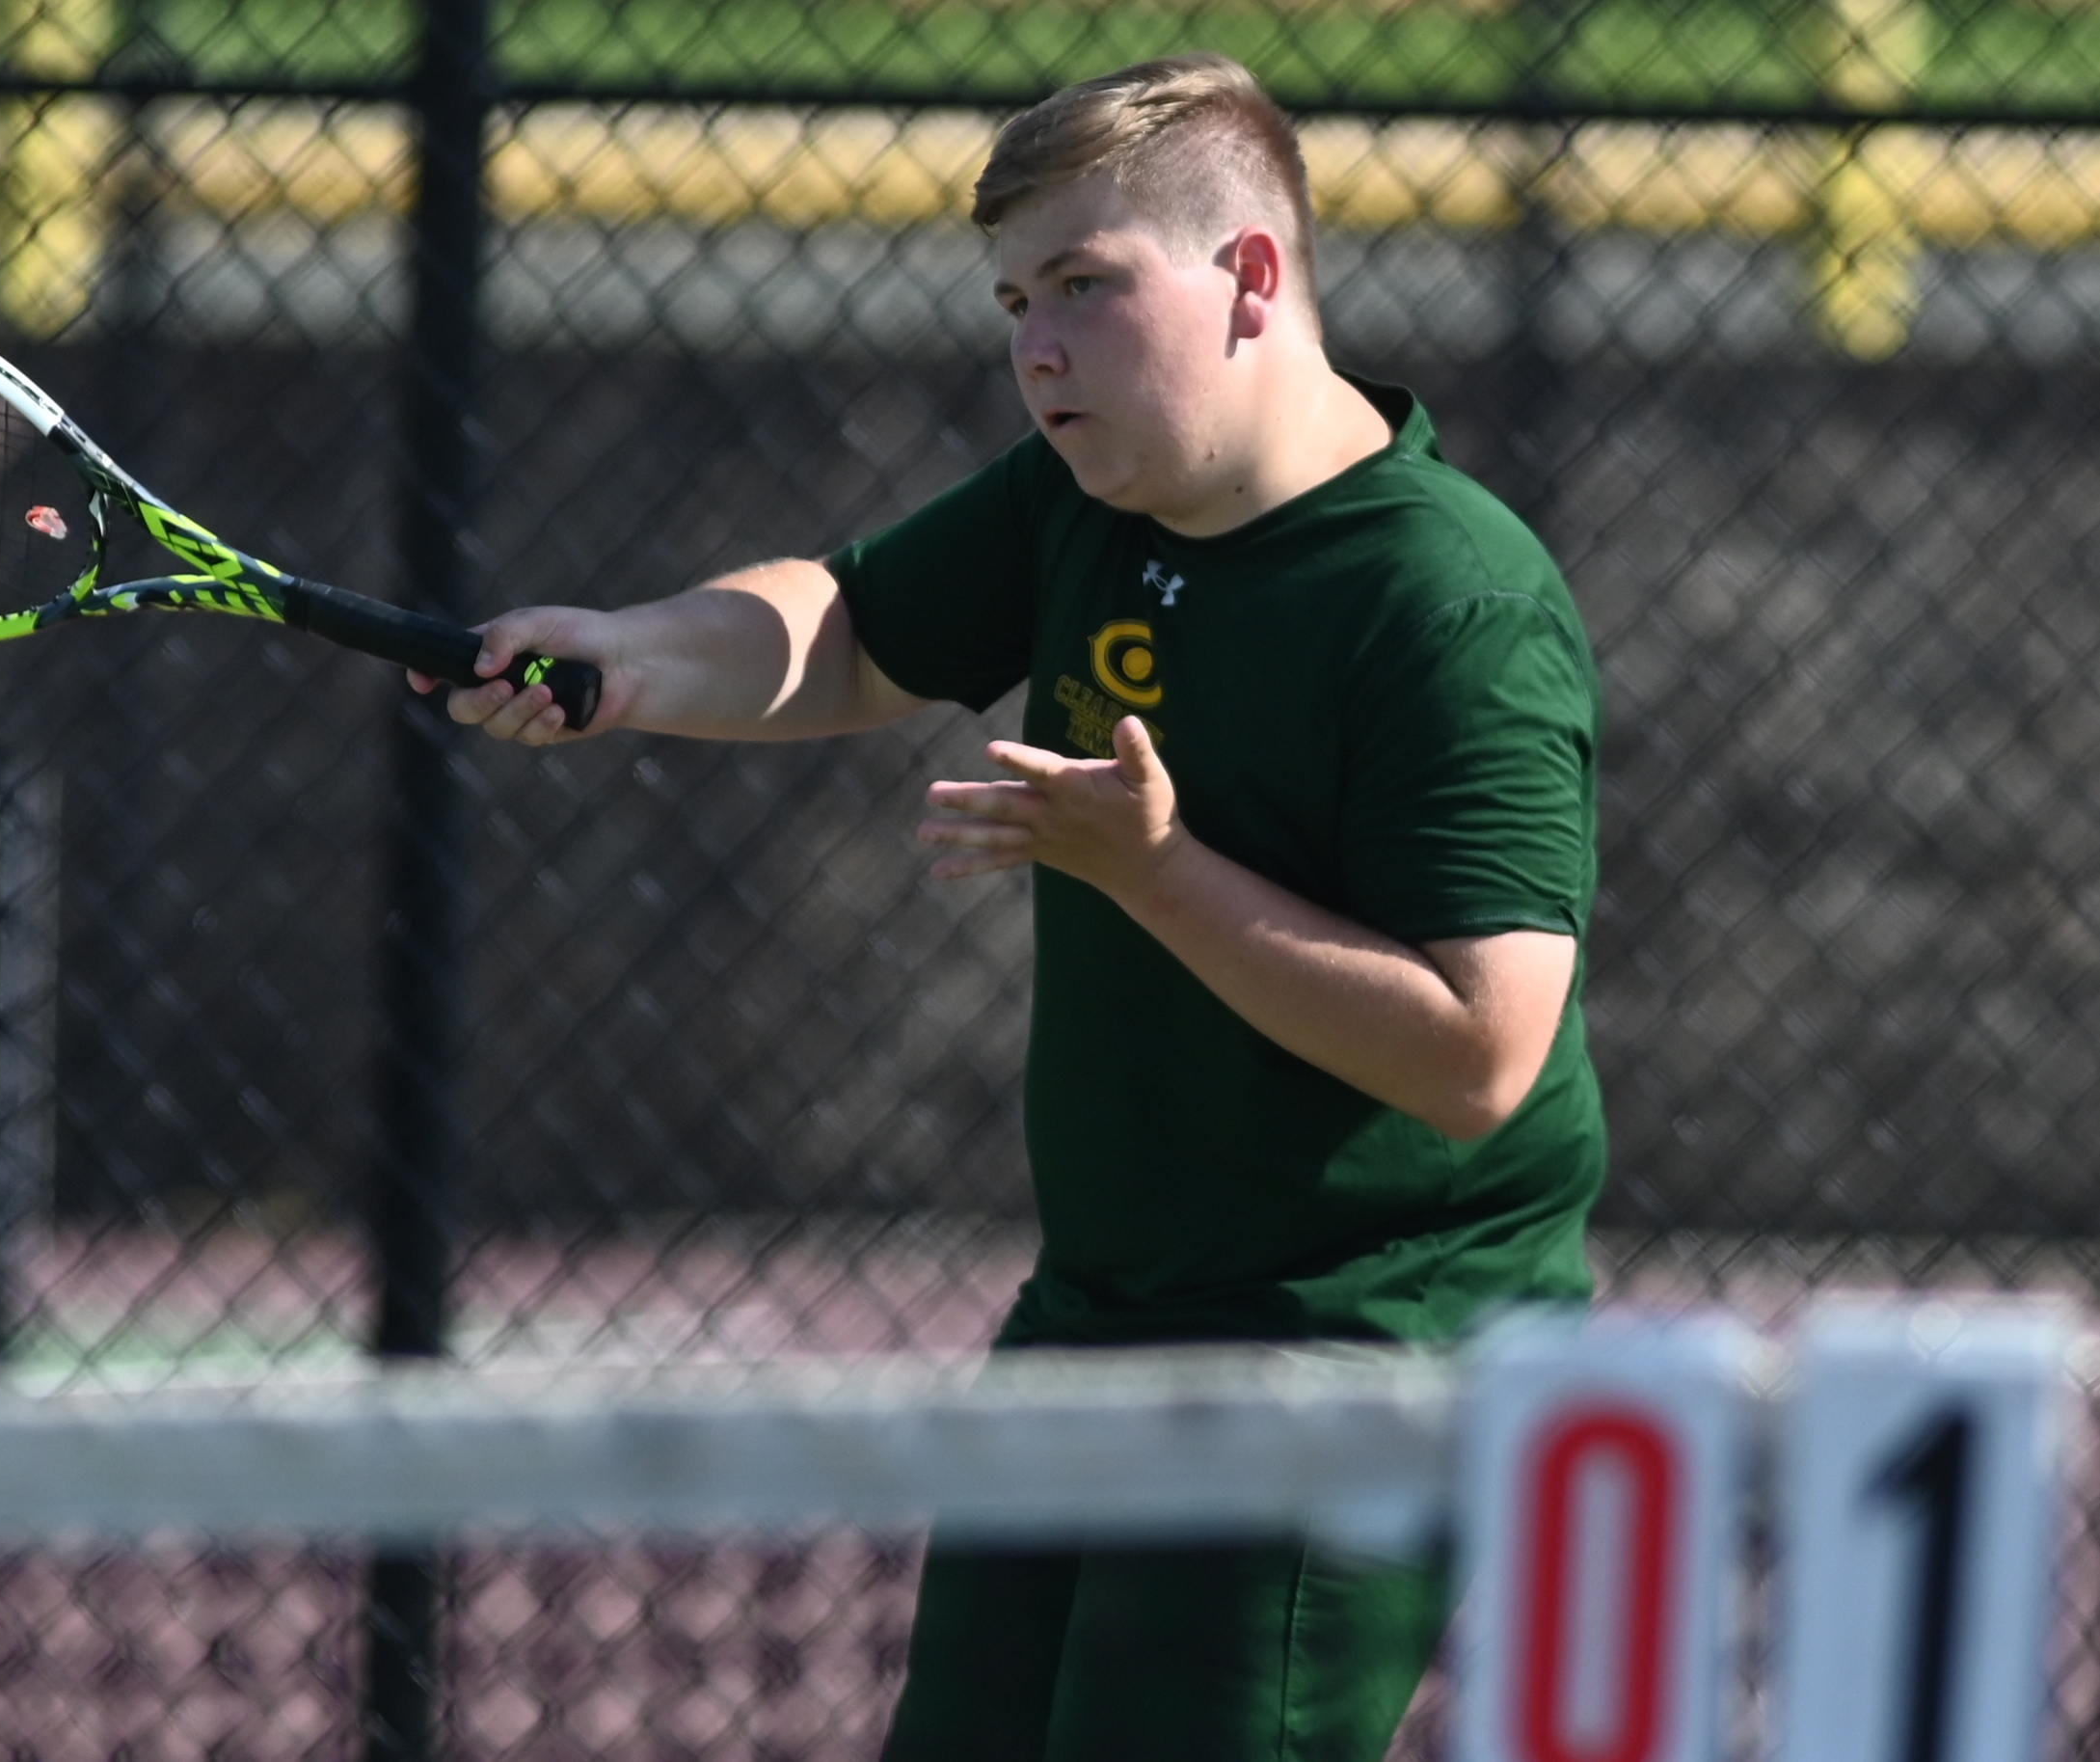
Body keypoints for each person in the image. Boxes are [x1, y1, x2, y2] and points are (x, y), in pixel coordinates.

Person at [424, 54, 1602, 1762]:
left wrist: (1152, 872)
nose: (1034, 349)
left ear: (1250, 279)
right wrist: (635, 653)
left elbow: (1480, 1055)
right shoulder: (1086, 498)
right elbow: (847, 625)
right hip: (1104, 1308)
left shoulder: (1453, 606)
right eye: (1010, 302)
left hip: (1349, 1347)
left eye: (1083, 289)